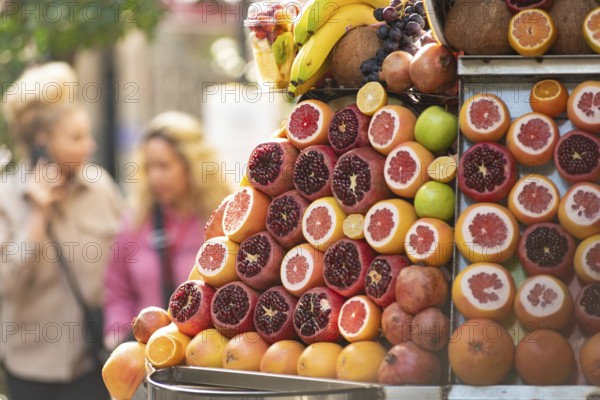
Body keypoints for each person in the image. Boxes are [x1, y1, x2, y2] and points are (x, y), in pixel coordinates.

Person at [0, 62, 123, 400]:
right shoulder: (7, 199)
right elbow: (6, 284)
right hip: (30, 371)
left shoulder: (100, 188)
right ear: (43, 144)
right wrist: (37, 217)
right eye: (76, 138)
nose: (90, 146)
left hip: (94, 363)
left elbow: (125, 265)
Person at [103, 111, 231, 348]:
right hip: (146, 355)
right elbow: (117, 291)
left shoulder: (224, 219)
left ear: (192, 164)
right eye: (149, 167)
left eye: (163, 166)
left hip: (208, 355)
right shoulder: (136, 221)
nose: (154, 177)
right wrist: (117, 335)